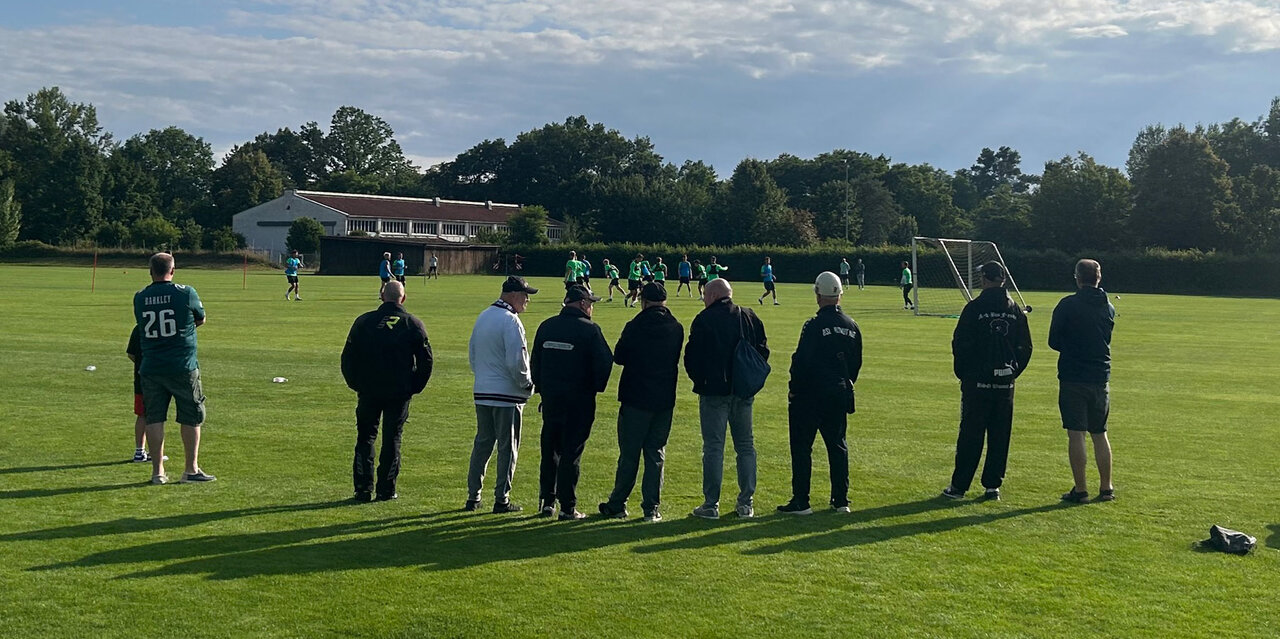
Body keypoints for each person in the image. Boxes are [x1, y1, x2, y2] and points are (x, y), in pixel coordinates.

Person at [941, 262, 1033, 502]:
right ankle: (993, 486)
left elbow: (960, 343)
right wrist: (1011, 372)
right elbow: (1025, 348)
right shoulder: (1015, 311)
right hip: (1005, 385)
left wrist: (966, 374)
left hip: (977, 384)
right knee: (1000, 435)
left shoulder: (974, 308)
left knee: (970, 435)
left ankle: (959, 487)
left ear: (984, 279)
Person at [340, 280, 434, 502]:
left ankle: (362, 488)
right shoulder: (412, 324)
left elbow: (347, 357)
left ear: (381, 296)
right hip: (399, 393)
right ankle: (386, 489)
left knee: (365, 438)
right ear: (403, 298)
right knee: (392, 439)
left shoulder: (363, 322)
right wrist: (414, 387)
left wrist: (356, 383)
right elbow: (426, 361)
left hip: (368, 391)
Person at [778, 272, 862, 515]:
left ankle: (801, 501)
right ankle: (840, 500)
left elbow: (801, 361)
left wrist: (794, 389)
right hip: (838, 392)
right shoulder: (852, 326)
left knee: (802, 447)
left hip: (809, 396)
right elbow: (855, 364)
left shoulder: (813, 325)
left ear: (817, 294)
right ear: (840, 295)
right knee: (838, 446)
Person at [684, 278, 768, 519]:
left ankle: (711, 504)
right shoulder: (749, 315)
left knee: (713, 447)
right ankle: (746, 503)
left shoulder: (704, 319)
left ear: (711, 296)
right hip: (743, 390)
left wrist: (701, 381)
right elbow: (763, 350)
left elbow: (692, 356)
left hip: (713, 392)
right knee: (745, 446)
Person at [600, 282, 684, 522]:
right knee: (656, 453)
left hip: (635, 397)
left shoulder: (635, 325)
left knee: (629, 454)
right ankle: (651, 508)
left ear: (644, 301)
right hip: (664, 398)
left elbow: (619, 356)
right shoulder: (675, 327)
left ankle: (618, 503)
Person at [531, 285, 613, 520]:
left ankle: (547, 502)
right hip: (579, 401)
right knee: (572, 453)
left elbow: (535, 362)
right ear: (583, 304)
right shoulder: (590, 330)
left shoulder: (546, 326)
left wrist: (543, 388)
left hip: (551, 400)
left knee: (550, 450)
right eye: (591, 304)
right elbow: (604, 363)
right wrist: (593, 387)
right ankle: (568, 506)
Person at [133, 252, 214, 485]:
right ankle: (191, 469)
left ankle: (157, 472)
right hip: (182, 365)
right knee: (191, 415)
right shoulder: (185, 292)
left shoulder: (140, 297)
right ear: (173, 270)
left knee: (154, 417)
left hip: (151, 366)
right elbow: (200, 319)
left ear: (150, 271)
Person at [466, 276, 539, 513]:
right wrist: (527, 384)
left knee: (483, 444)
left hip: (483, 390)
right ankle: (502, 499)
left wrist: (483, 378)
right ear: (514, 295)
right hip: (507, 394)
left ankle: (473, 496)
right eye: (525, 295)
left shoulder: (483, 315)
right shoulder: (511, 321)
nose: (527, 300)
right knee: (508, 447)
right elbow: (516, 361)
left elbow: (473, 355)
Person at [1049, 259, 1116, 504]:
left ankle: (1080, 489)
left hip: (1073, 375)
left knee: (1076, 433)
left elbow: (1053, 340)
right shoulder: (1108, 306)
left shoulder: (1068, 305)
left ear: (1077, 277)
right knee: (1100, 433)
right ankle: (1106, 487)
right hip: (1100, 376)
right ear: (1099, 277)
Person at [126, 326, 162, 463]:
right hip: (154, 378)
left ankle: (143, 451)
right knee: (150, 415)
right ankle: (142, 451)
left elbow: (131, 354)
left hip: (141, 376)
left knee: (143, 414)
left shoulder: (139, 328)